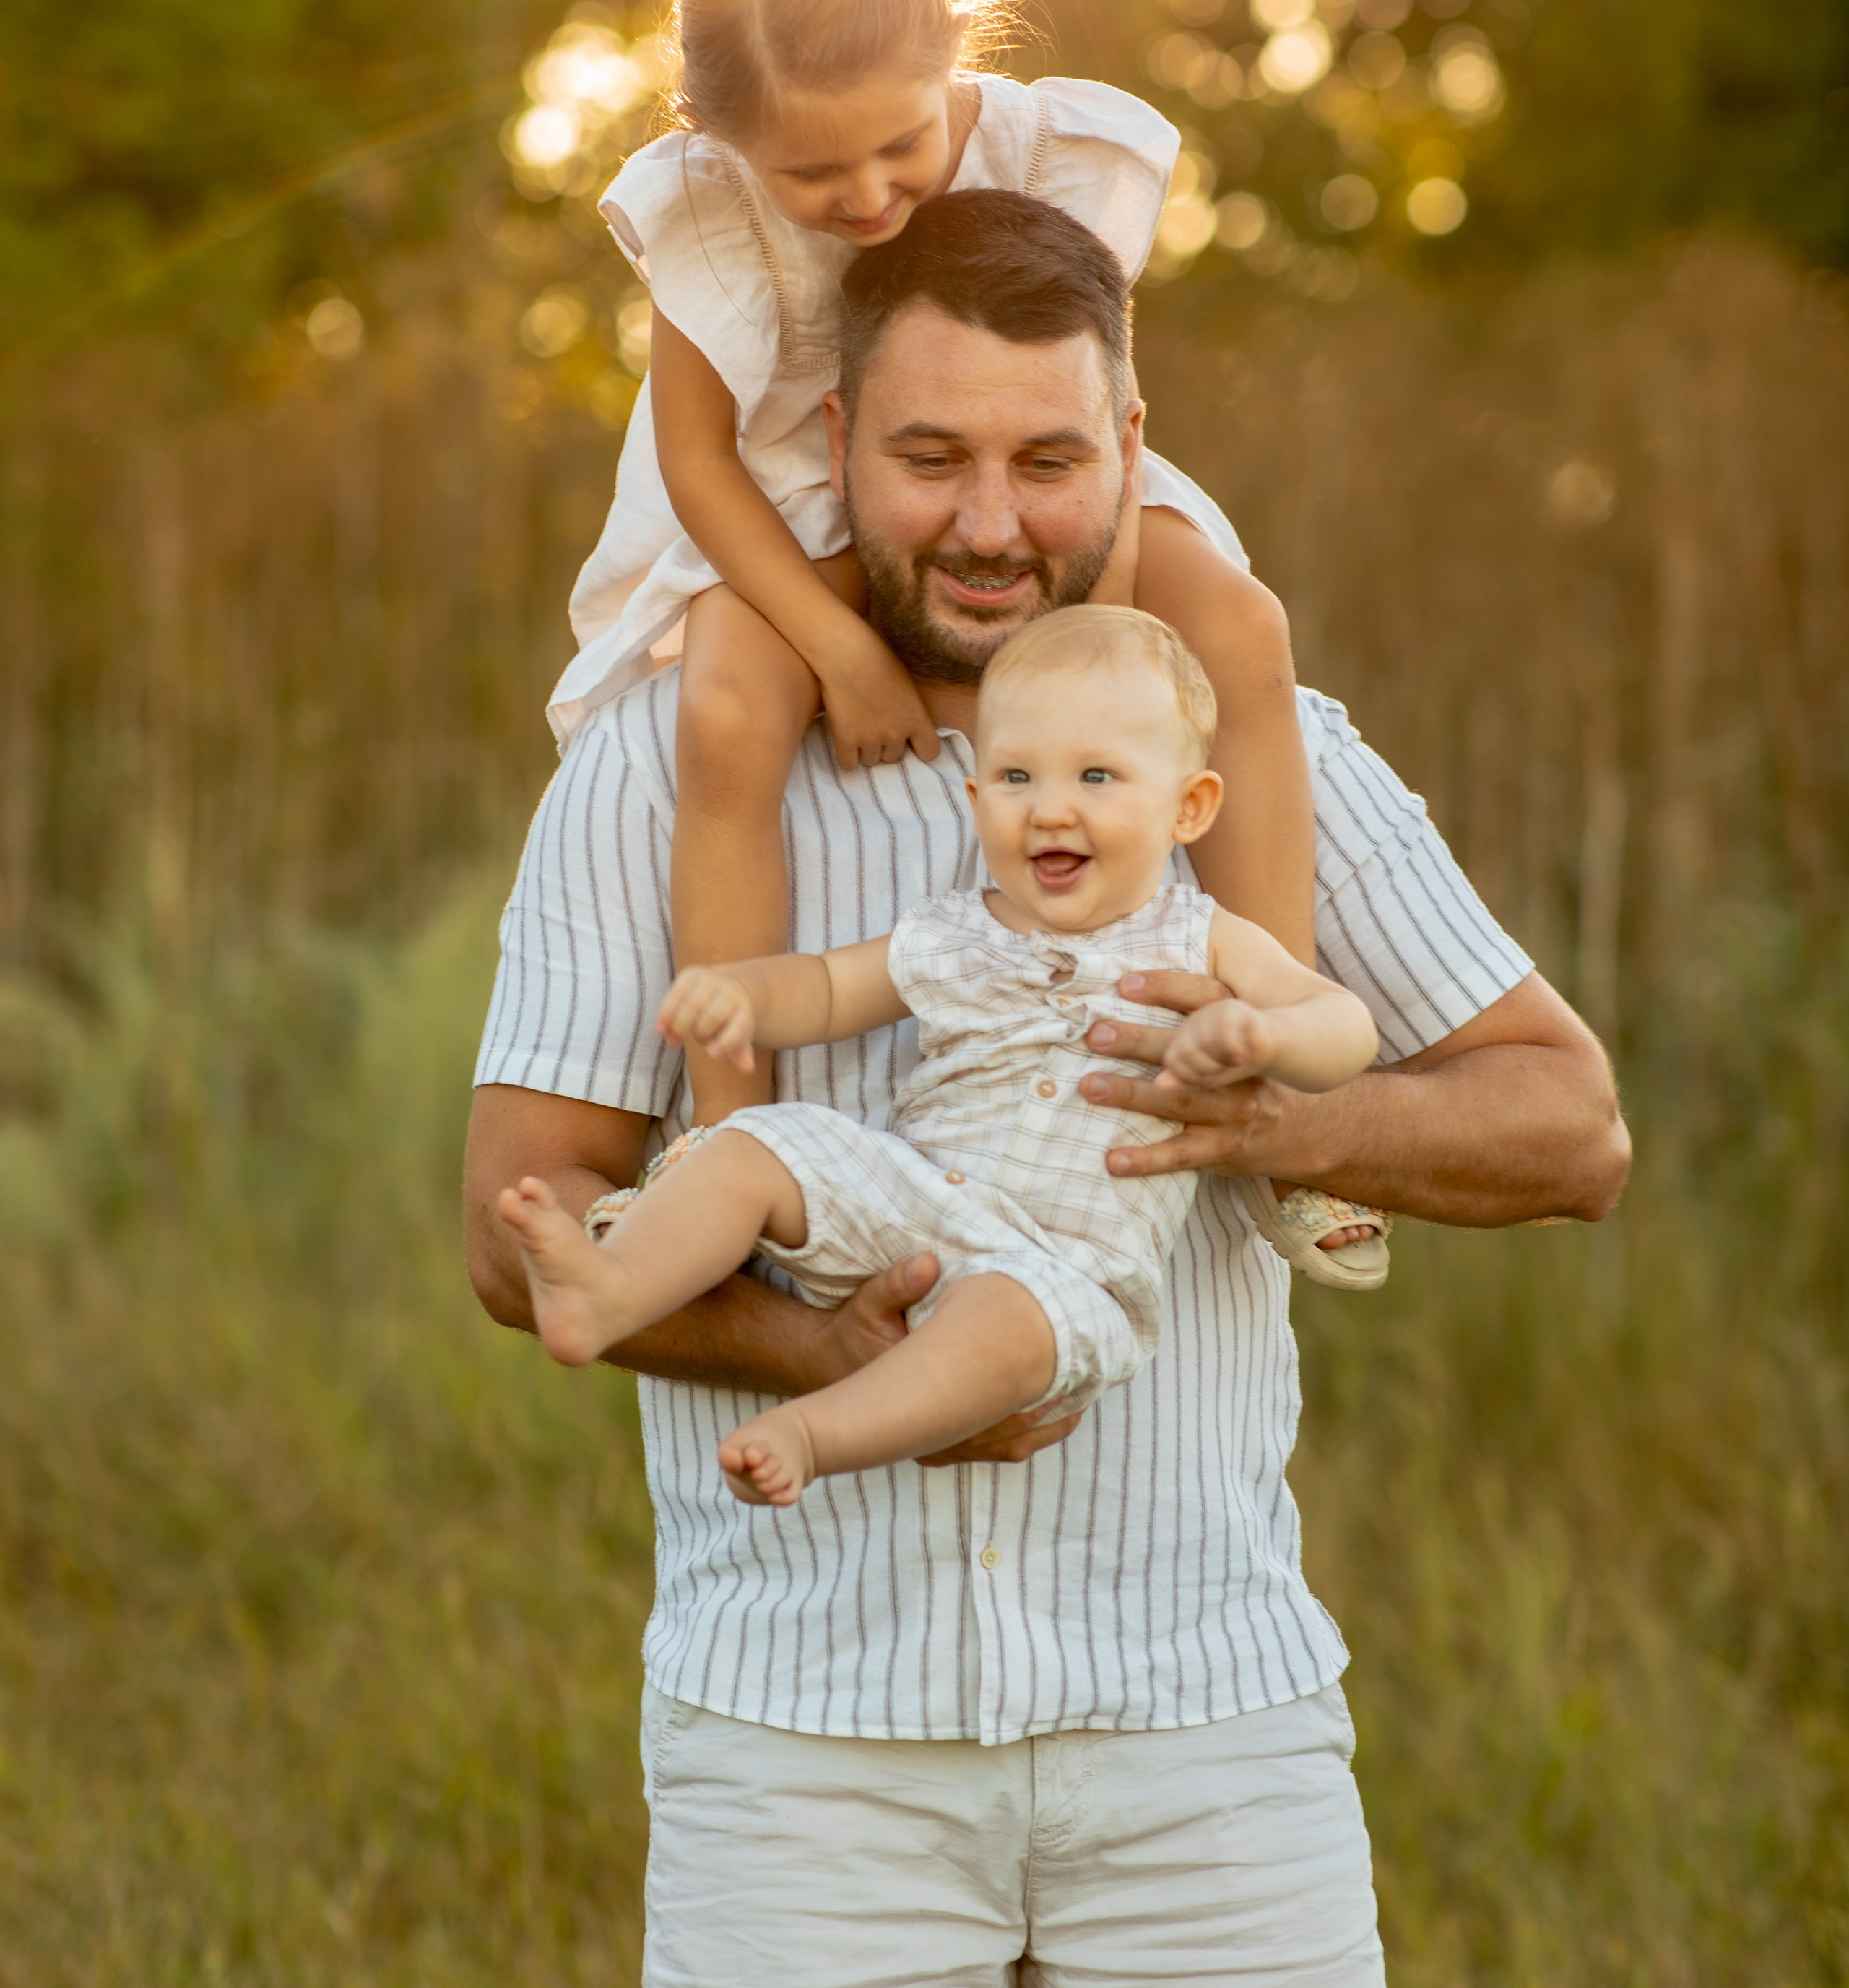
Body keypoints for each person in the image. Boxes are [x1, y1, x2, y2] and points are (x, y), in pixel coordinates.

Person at [466, 189, 1631, 1988]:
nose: (991, 519)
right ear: (837, 451)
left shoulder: (1242, 763)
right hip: (803, 1735)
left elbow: (1570, 1126)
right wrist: (862, 1360)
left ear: (1133, 448)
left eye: (1047, 459)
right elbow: (518, 1215)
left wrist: (1279, 1127)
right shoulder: (664, 764)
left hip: (1204, 1726)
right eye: (930, 459)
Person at [551, 0, 1388, 1287]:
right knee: (726, 707)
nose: (867, 196)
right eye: (815, 178)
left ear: (950, 61)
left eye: (897, 146)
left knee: (1237, 628)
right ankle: (721, 1140)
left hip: (1009, 464)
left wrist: (1099, 635)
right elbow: (699, 471)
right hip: (784, 493)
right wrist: (837, 644)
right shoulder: (702, 213)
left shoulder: (1055, 155)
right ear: (719, 143)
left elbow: (1092, 404)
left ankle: (1272, 1095)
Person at [497, 607, 1380, 1508]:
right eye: (1015, 775)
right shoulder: (953, 929)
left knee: (998, 1323)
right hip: (914, 1203)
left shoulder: (1203, 939)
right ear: (976, 799)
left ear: (1187, 806)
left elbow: (1343, 1028)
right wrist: (745, 997)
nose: (1051, 806)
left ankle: (811, 1432)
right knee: (754, 1145)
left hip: (1068, 1273)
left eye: (1099, 775)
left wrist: (1265, 1036)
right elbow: (831, 989)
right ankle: (609, 1289)